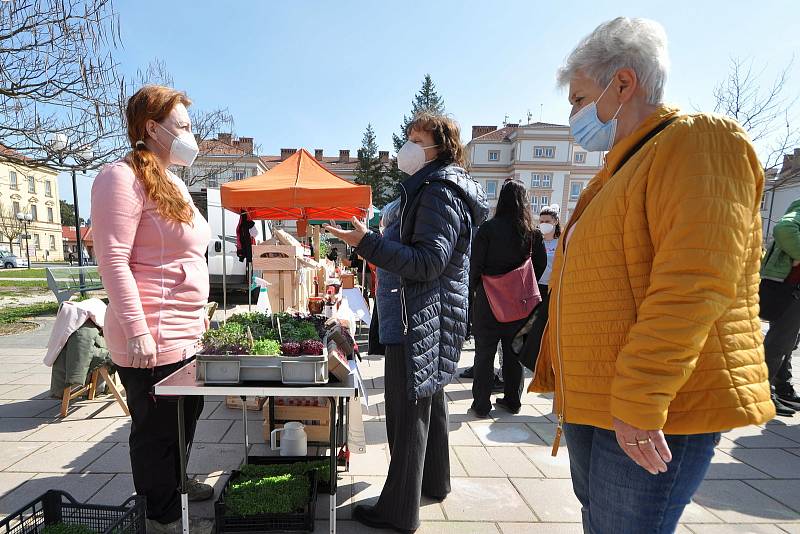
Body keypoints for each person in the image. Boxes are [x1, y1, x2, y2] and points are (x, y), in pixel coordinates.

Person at [529, 17, 774, 533]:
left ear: (623, 83)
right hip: (597, 401)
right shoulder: (621, 167)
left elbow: (694, 283)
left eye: (578, 99)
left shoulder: (698, 143)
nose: (573, 115)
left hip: (646, 406)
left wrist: (641, 398)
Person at [325, 111, 488, 533]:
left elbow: (428, 262)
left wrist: (367, 243)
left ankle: (398, 510)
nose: (408, 146)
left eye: (417, 138)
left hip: (420, 315)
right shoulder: (435, 188)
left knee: (407, 410)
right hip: (427, 313)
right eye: (409, 136)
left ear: (440, 146)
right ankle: (435, 483)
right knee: (427, 404)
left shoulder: (438, 192)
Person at [91, 85, 213, 534]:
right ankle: (159, 516)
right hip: (150, 334)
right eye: (182, 125)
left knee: (185, 417)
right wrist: (137, 329)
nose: (190, 134)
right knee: (156, 431)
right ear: (151, 128)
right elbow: (113, 260)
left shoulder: (174, 181)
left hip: (184, 331)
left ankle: (175, 484)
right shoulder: (118, 178)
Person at [469, 179, 546, 417]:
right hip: (519, 306)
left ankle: (481, 404)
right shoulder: (531, 233)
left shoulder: (487, 230)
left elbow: (475, 265)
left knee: (484, 353)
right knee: (514, 353)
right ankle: (513, 401)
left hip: (488, 302)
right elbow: (539, 265)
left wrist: (475, 290)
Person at [760, 197, 800, 416]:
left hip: (790, 288)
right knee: (780, 342)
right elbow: (784, 228)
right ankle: (762, 394)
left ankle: (781, 387)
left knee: (789, 342)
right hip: (790, 289)